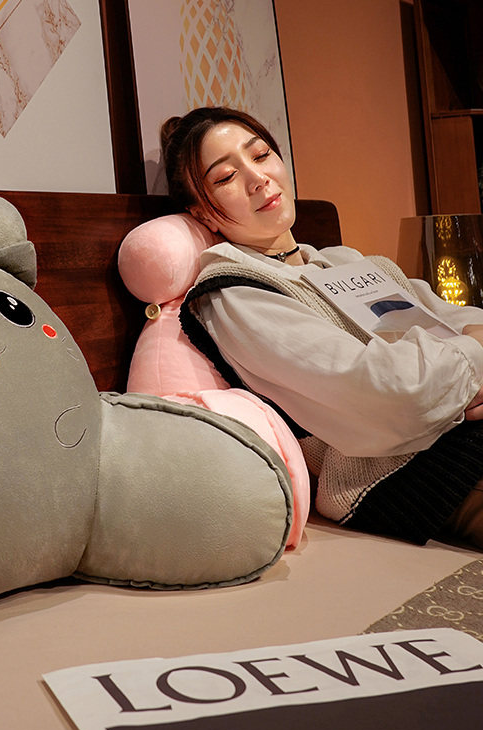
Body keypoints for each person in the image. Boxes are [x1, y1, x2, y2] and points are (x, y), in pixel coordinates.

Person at [163, 106, 483, 547]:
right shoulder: (236, 294)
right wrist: (469, 370)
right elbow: (390, 391)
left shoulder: (343, 261)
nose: (258, 178)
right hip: (407, 473)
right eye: (225, 177)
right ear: (202, 214)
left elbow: (459, 319)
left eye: (261, 155)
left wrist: (464, 372)